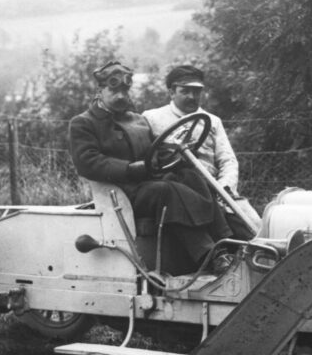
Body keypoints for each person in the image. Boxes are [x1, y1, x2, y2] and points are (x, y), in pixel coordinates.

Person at [69, 62, 235, 275]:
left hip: (146, 186)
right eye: (113, 90)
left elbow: (154, 152)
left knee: (191, 176)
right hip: (120, 194)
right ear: (99, 91)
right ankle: (208, 255)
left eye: (124, 90)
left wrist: (174, 154)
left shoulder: (138, 120)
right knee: (165, 191)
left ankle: (227, 244)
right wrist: (130, 169)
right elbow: (87, 162)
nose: (120, 96)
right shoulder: (84, 123)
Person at [143, 65, 255, 239]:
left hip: (216, 188)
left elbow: (228, 161)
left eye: (197, 92)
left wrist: (224, 188)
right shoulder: (152, 118)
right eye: (185, 91)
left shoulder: (212, 121)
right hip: (181, 189)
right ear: (172, 92)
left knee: (254, 226)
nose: (192, 97)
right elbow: (148, 159)